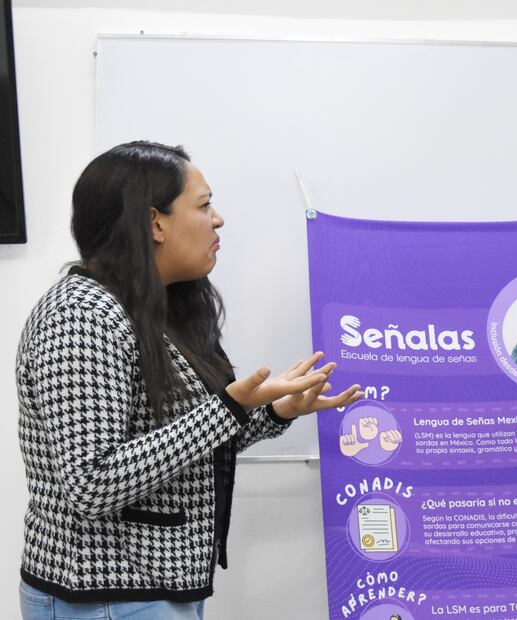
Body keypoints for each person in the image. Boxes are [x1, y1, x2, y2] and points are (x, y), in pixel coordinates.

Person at [16, 141, 362, 619]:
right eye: (203, 206)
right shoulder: (82, 315)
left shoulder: (155, 309)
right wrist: (227, 408)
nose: (217, 220)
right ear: (154, 223)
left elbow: (188, 442)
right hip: (105, 597)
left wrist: (274, 411)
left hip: (150, 590)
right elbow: (92, 483)